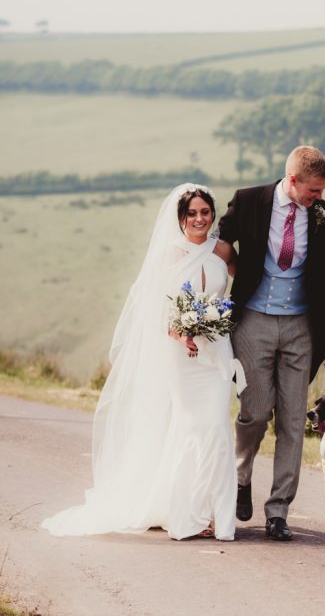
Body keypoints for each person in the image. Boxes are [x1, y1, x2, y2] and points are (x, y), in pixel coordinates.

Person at [42, 184, 241, 541]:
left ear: (213, 214)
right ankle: (187, 513)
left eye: (205, 212)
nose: (199, 219)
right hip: (182, 355)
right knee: (190, 428)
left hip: (217, 352)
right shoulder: (169, 254)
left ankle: (217, 515)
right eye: (192, 213)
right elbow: (158, 310)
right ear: (180, 218)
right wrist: (182, 333)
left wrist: (221, 321)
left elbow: (243, 290)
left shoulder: (224, 250)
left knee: (216, 429)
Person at [218, 145, 325, 542]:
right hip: (252, 321)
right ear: (293, 181)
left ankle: (278, 511)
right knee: (254, 412)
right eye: (314, 191)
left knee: (292, 420)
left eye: (322, 191)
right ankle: (241, 477)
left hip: (301, 327)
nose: (319, 198)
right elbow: (218, 241)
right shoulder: (248, 201)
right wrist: (235, 274)